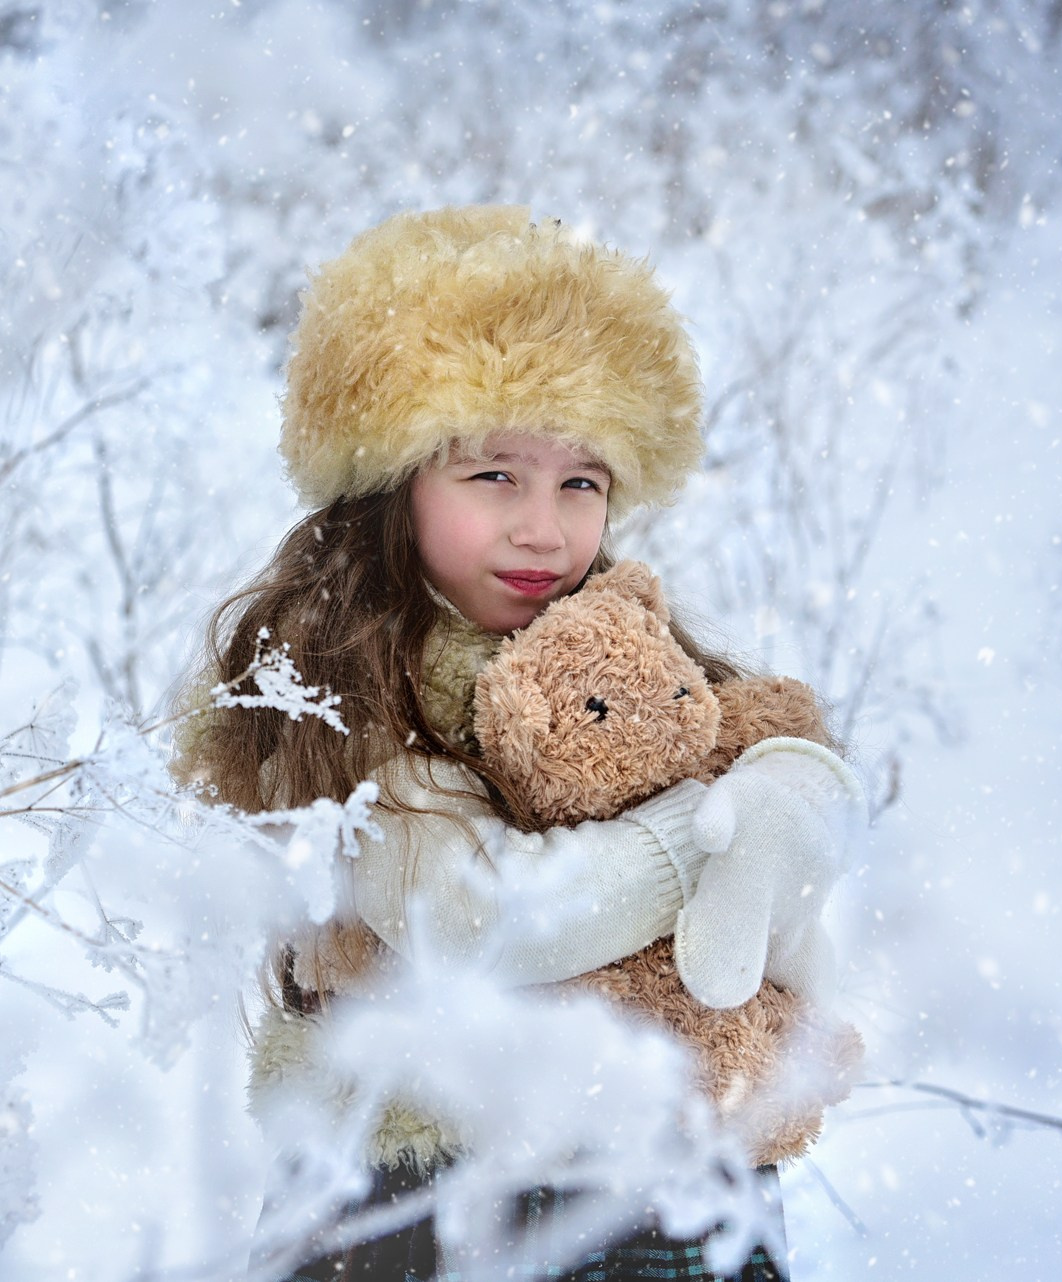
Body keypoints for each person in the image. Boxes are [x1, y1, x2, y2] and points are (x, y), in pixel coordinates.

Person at [168, 206, 860, 1281]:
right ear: (390, 482)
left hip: (652, 1173)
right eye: (495, 475)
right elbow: (479, 914)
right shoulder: (329, 684)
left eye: (581, 481)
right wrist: (694, 835)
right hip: (416, 1183)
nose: (544, 527)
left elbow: (765, 738)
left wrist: (784, 795)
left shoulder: (615, 644)